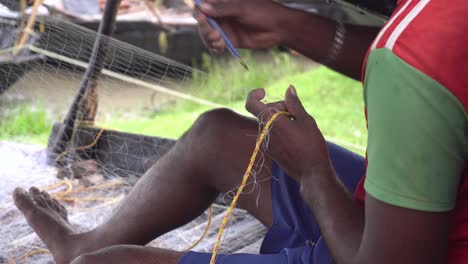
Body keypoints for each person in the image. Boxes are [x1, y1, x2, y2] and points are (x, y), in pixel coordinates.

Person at [12, 0, 467, 263]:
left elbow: (413, 65)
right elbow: (417, 65)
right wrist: (287, 24)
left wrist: (313, 175)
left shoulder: (417, 52)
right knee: (217, 136)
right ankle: (81, 243)